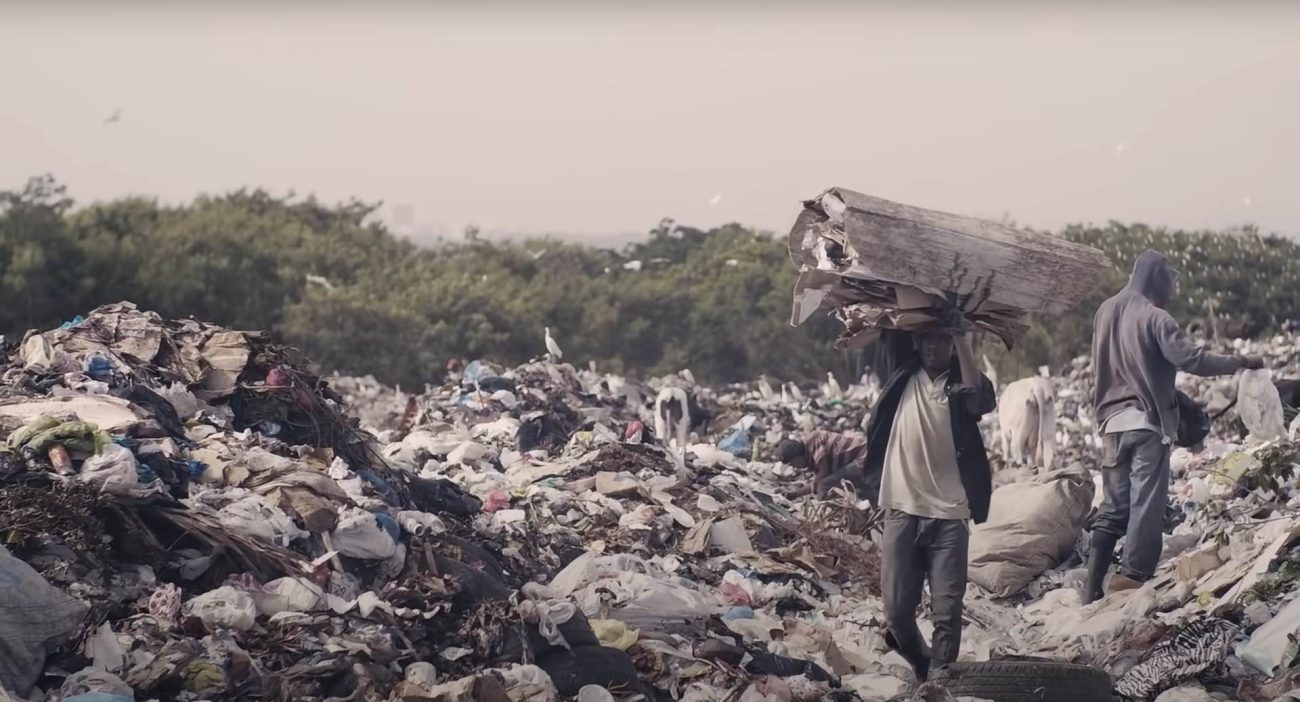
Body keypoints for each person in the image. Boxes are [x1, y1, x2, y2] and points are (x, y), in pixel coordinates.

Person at [1086, 250, 1263, 604]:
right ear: (1155, 278)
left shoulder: (1105, 311)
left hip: (1110, 423)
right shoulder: (1155, 317)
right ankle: (1130, 579)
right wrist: (1238, 362)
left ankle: (1091, 587)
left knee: (1114, 507)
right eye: (1170, 281)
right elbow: (1190, 359)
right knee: (1145, 505)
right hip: (1145, 423)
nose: (1172, 290)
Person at [861, 328, 996, 682]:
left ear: (952, 344)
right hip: (903, 509)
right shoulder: (901, 375)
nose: (935, 347)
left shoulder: (963, 382)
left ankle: (939, 679)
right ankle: (923, 662)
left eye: (943, 340)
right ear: (917, 342)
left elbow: (980, 400)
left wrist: (964, 338)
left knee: (947, 612)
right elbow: (891, 329)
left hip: (950, 515)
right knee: (896, 612)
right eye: (929, 339)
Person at [778, 431, 870, 498]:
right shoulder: (812, 457)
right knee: (829, 483)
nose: (795, 467)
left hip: (864, 457)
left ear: (798, 455)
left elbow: (823, 475)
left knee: (825, 486)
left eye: (793, 463)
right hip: (858, 462)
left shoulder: (813, 442)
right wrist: (795, 494)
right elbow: (817, 482)